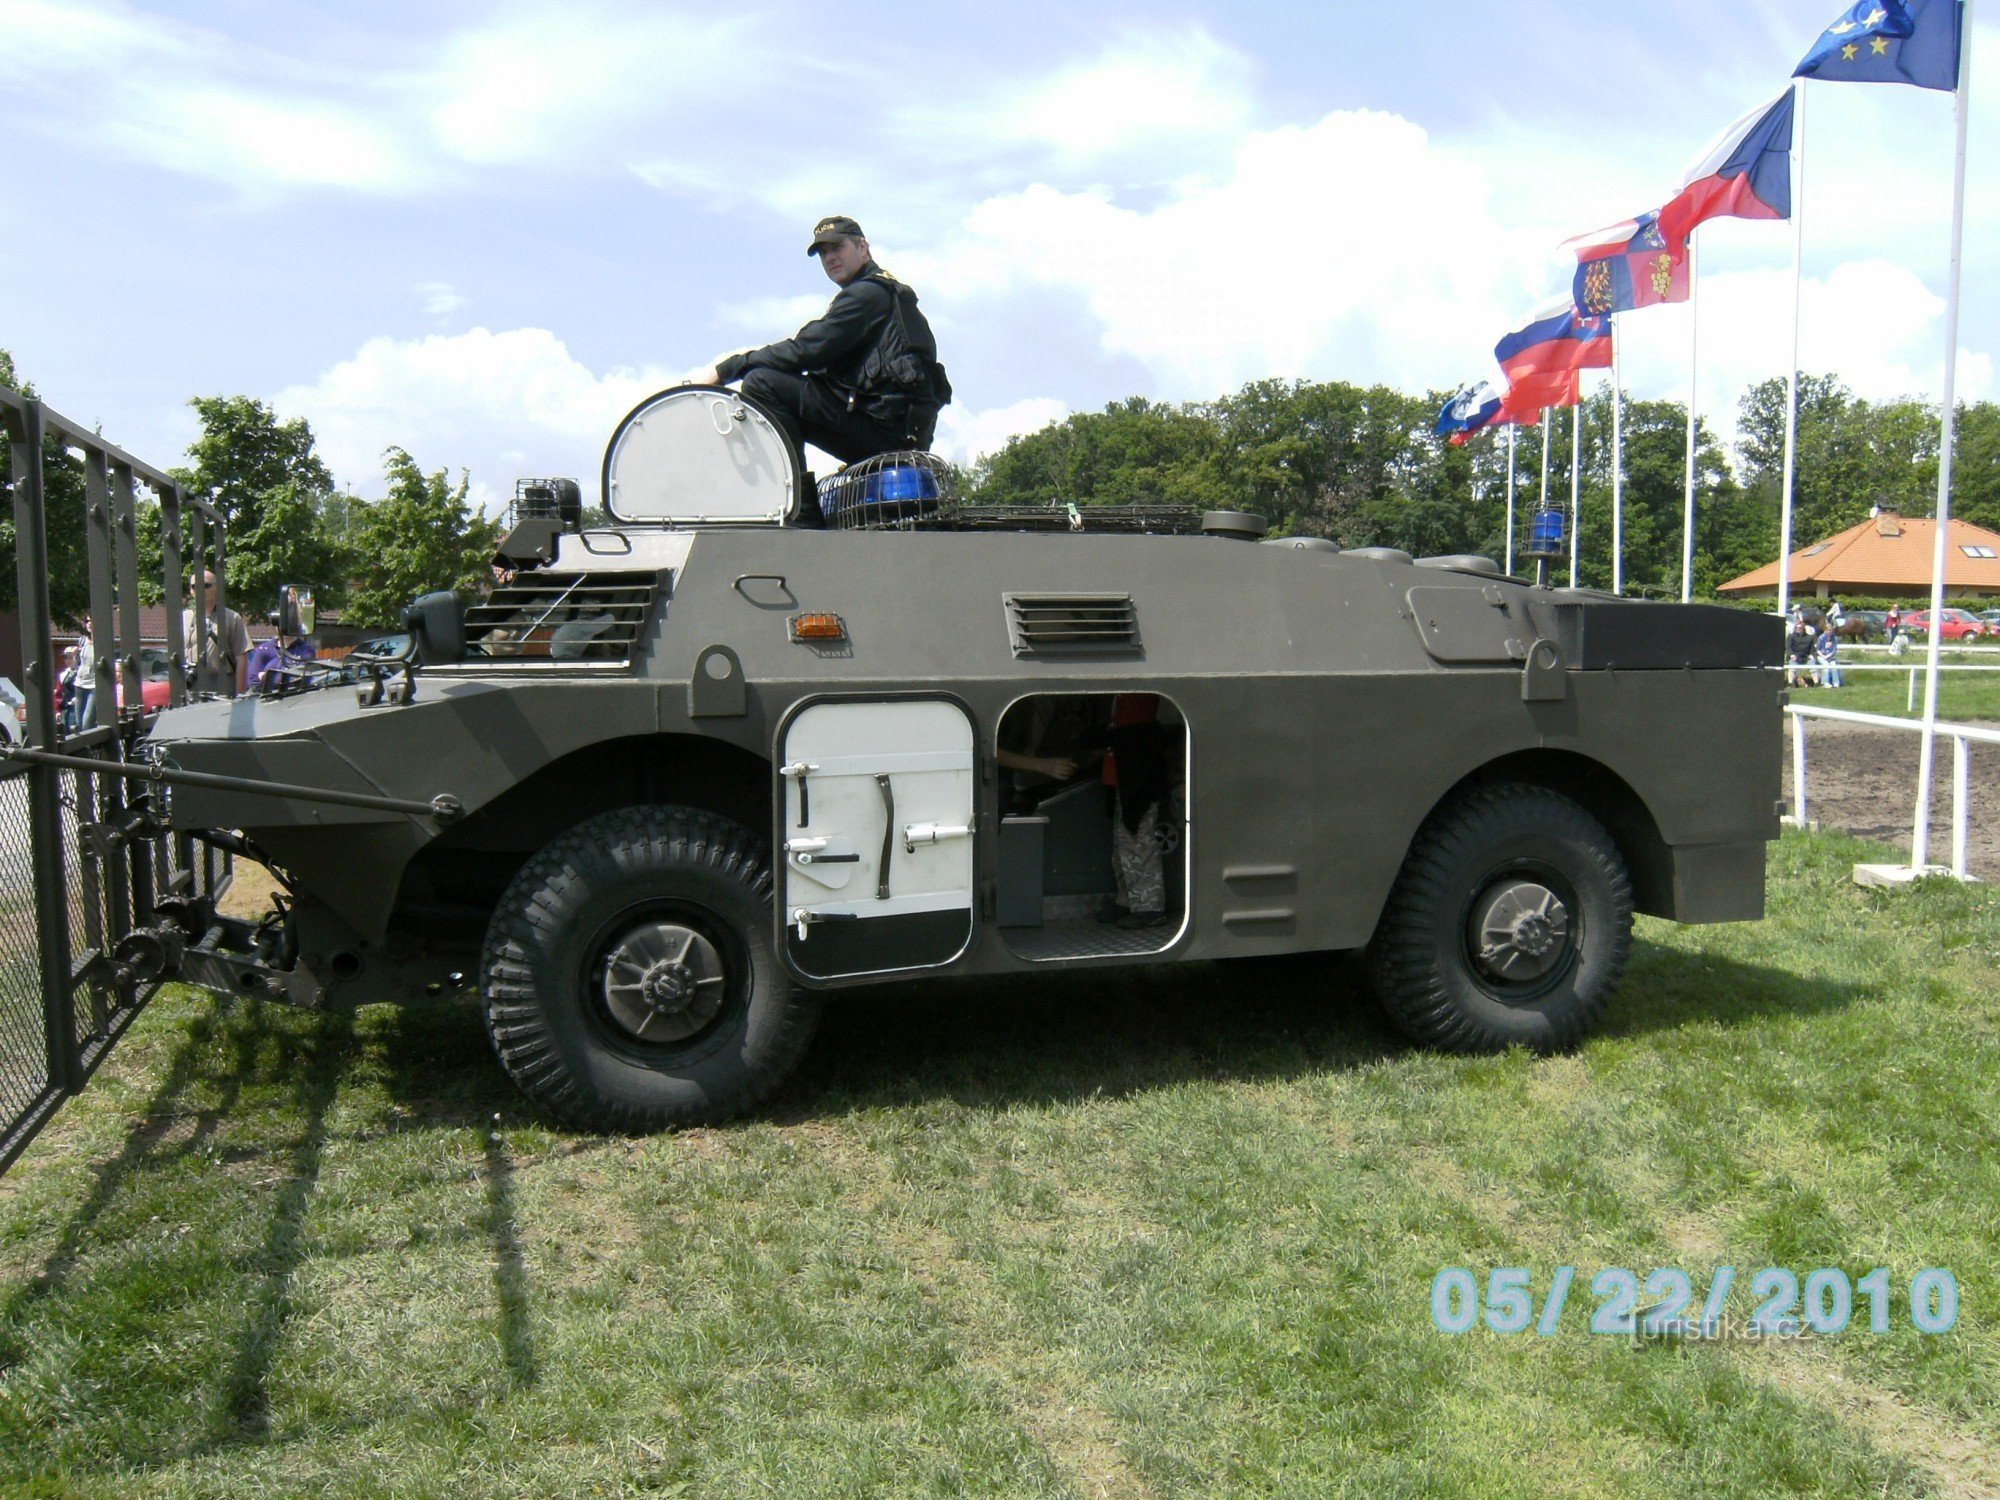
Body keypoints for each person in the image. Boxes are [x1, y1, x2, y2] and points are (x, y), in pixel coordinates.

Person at [693, 216, 950, 472]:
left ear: (863, 247)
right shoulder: (888, 293)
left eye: (837, 247)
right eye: (823, 253)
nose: (830, 258)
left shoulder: (867, 295)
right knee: (783, 388)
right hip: (901, 430)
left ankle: (801, 508)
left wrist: (728, 369)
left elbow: (804, 351)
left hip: (885, 433)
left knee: (762, 383)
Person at [183, 570, 251, 697]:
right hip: (192, 684)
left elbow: (241, 656)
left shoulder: (231, 617)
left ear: (216, 589)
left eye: (206, 585)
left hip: (222, 684)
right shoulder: (184, 618)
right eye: (195, 586)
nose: (200, 590)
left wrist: (240, 693)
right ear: (191, 591)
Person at [1813, 623, 1842, 688]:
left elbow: (1834, 650)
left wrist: (1828, 656)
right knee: (1826, 665)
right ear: (1824, 630)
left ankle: (1836, 683)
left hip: (1831, 656)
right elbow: (1818, 650)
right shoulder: (1821, 638)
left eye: (1830, 630)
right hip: (1821, 656)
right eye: (1827, 630)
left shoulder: (1834, 638)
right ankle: (1825, 683)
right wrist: (1824, 656)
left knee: (1833, 666)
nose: (1829, 632)